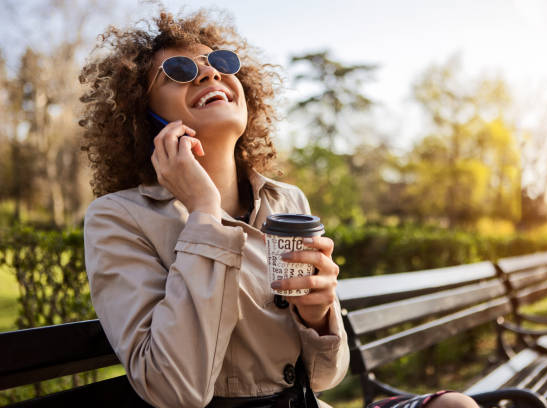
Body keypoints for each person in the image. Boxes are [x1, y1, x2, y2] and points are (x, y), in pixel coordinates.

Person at [79, 9, 478, 408]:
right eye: (180, 70)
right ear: (142, 115)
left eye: (220, 61)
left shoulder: (288, 203)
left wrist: (318, 313)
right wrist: (204, 211)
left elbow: (325, 377)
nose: (209, 74)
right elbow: (173, 389)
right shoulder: (117, 218)